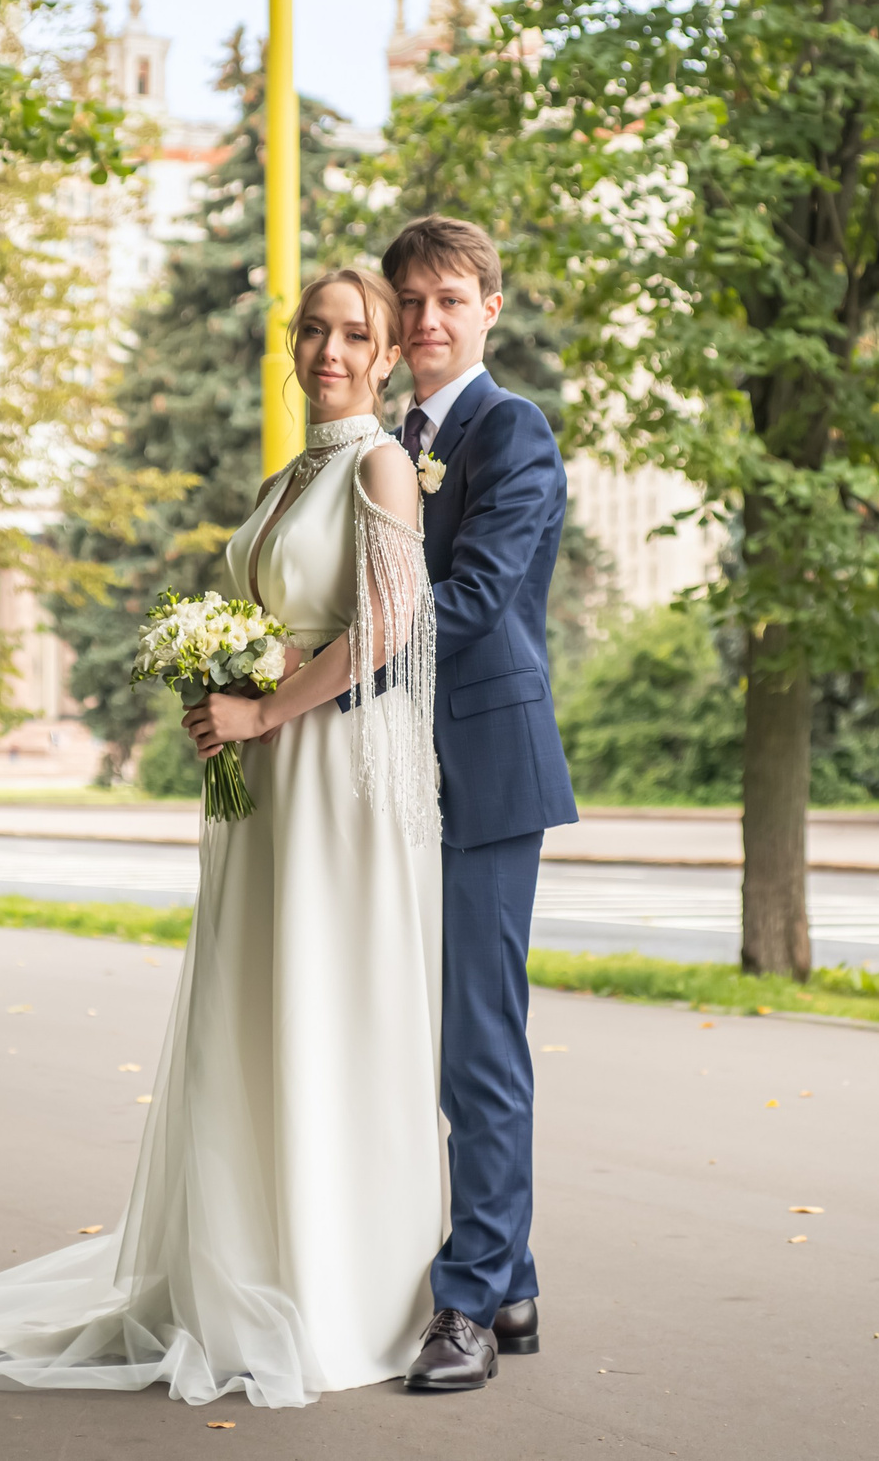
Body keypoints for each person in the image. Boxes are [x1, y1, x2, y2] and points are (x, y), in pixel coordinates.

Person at [0, 268, 442, 1407]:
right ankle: (242, 1259)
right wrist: (219, 683)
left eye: (355, 333)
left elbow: (393, 624)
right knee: (252, 1008)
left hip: (334, 780)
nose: (329, 349)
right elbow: (275, 614)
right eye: (312, 328)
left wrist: (262, 706)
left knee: (320, 1002)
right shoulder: (285, 477)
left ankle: (337, 1281)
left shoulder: (379, 465)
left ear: (387, 352)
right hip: (263, 781)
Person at [383, 216, 576, 1391]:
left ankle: (464, 1303)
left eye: (448, 299)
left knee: (478, 1043)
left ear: (488, 307)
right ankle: (509, 1281)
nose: (424, 322)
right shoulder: (391, 437)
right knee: (427, 1035)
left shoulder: (512, 431)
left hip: (489, 772)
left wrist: (329, 675)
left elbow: (477, 597)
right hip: (398, 776)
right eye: (408, 301)